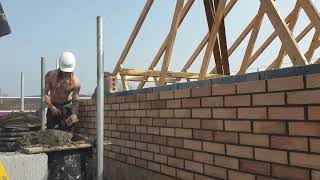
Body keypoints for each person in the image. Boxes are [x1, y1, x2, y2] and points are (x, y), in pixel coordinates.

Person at [45, 51, 81, 131]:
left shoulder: (76, 82)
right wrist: (52, 107)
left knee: (66, 131)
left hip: (66, 108)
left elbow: (75, 101)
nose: (66, 74)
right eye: (64, 72)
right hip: (53, 106)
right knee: (50, 130)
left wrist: (74, 115)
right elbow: (45, 94)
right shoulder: (50, 76)